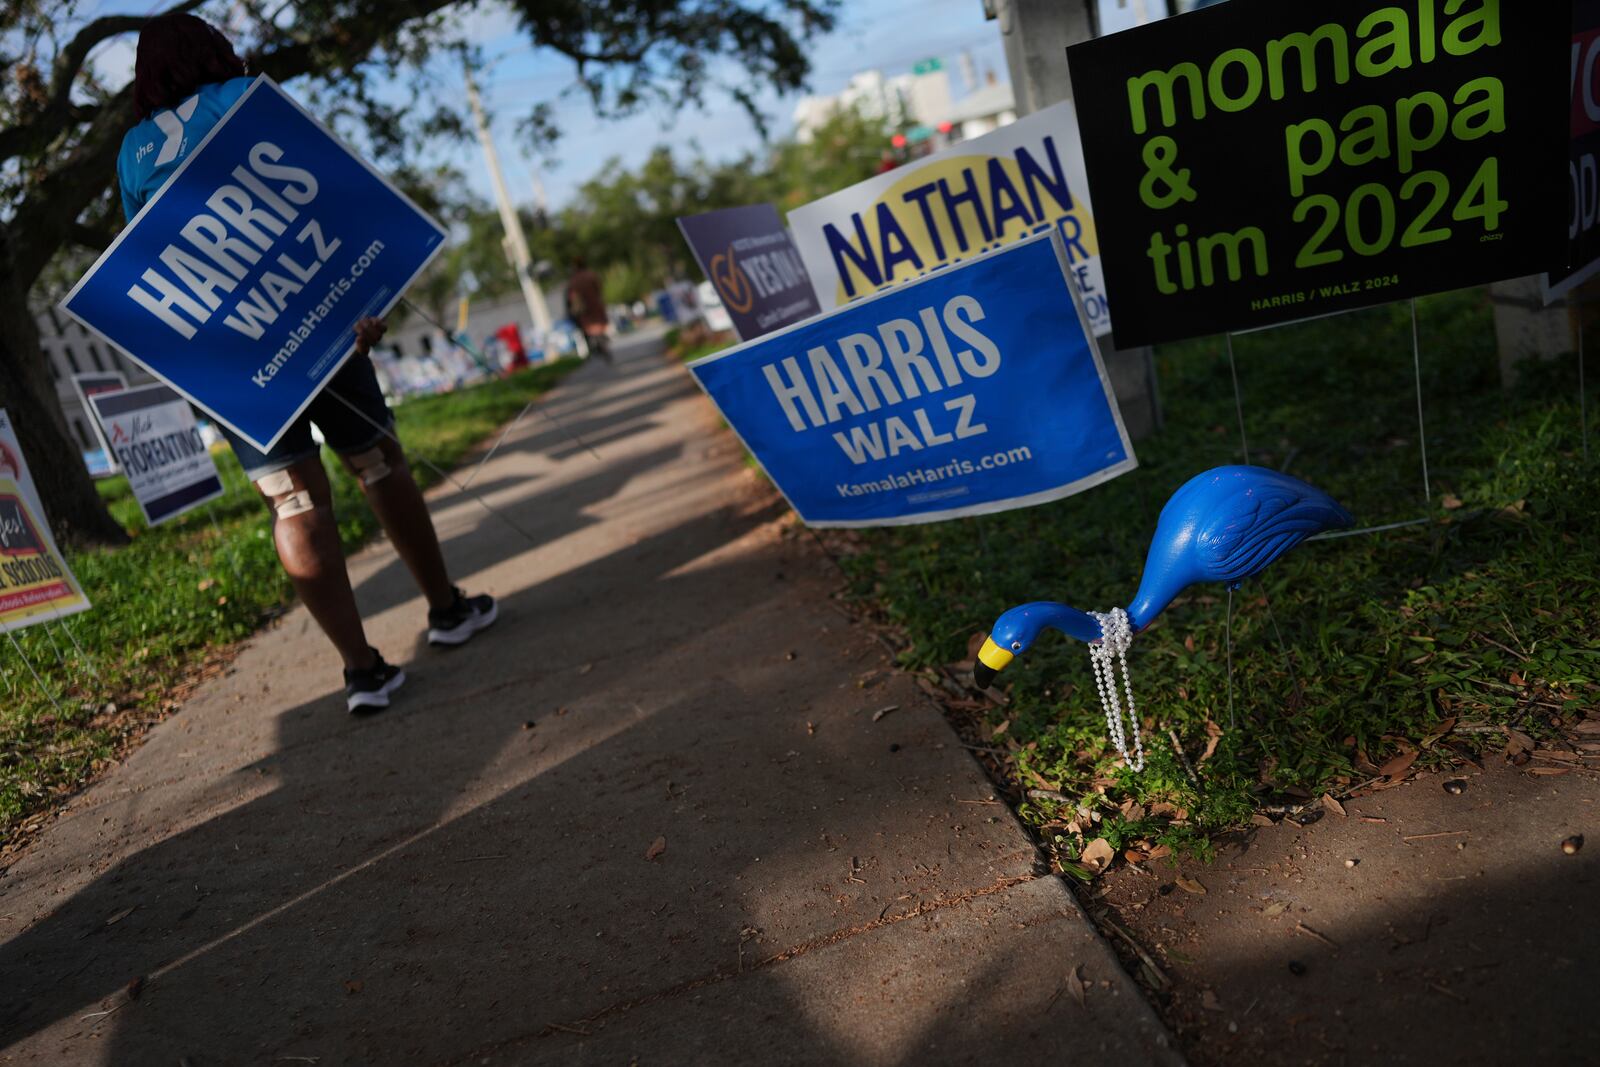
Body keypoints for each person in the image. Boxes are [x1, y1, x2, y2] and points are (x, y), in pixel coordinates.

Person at [117, 14, 496, 714]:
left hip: (231, 357)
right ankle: (446, 611)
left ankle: (362, 672)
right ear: (214, 52)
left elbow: (146, 266)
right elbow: (331, 197)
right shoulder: (248, 100)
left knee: (293, 502)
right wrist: (370, 296)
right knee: (380, 463)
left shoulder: (132, 155)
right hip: (319, 323)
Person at [564, 256, 611, 363]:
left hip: (584, 309)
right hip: (595, 305)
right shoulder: (591, 275)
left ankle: (597, 344)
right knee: (599, 325)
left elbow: (571, 296)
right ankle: (601, 342)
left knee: (589, 327)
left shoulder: (574, 280)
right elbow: (599, 288)